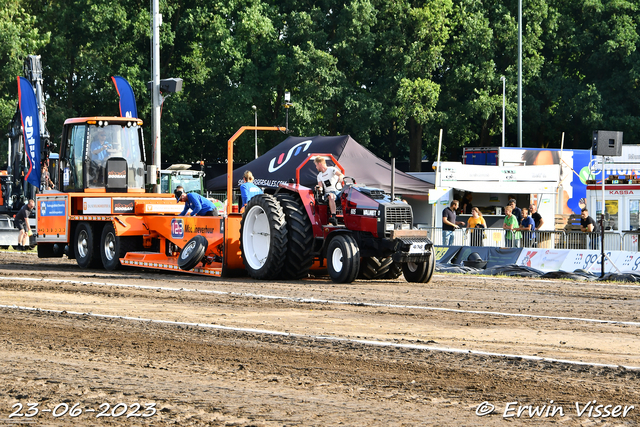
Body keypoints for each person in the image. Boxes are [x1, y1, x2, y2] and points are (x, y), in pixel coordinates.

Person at [315, 156, 344, 226]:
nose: (316, 167)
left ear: (319, 164)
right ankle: (333, 216)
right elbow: (320, 186)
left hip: (339, 191)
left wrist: (340, 177)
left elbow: (341, 174)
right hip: (330, 192)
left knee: (347, 196)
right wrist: (318, 188)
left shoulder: (331, 169)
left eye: (316, 165)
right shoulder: (319, 176)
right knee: (331, 196)